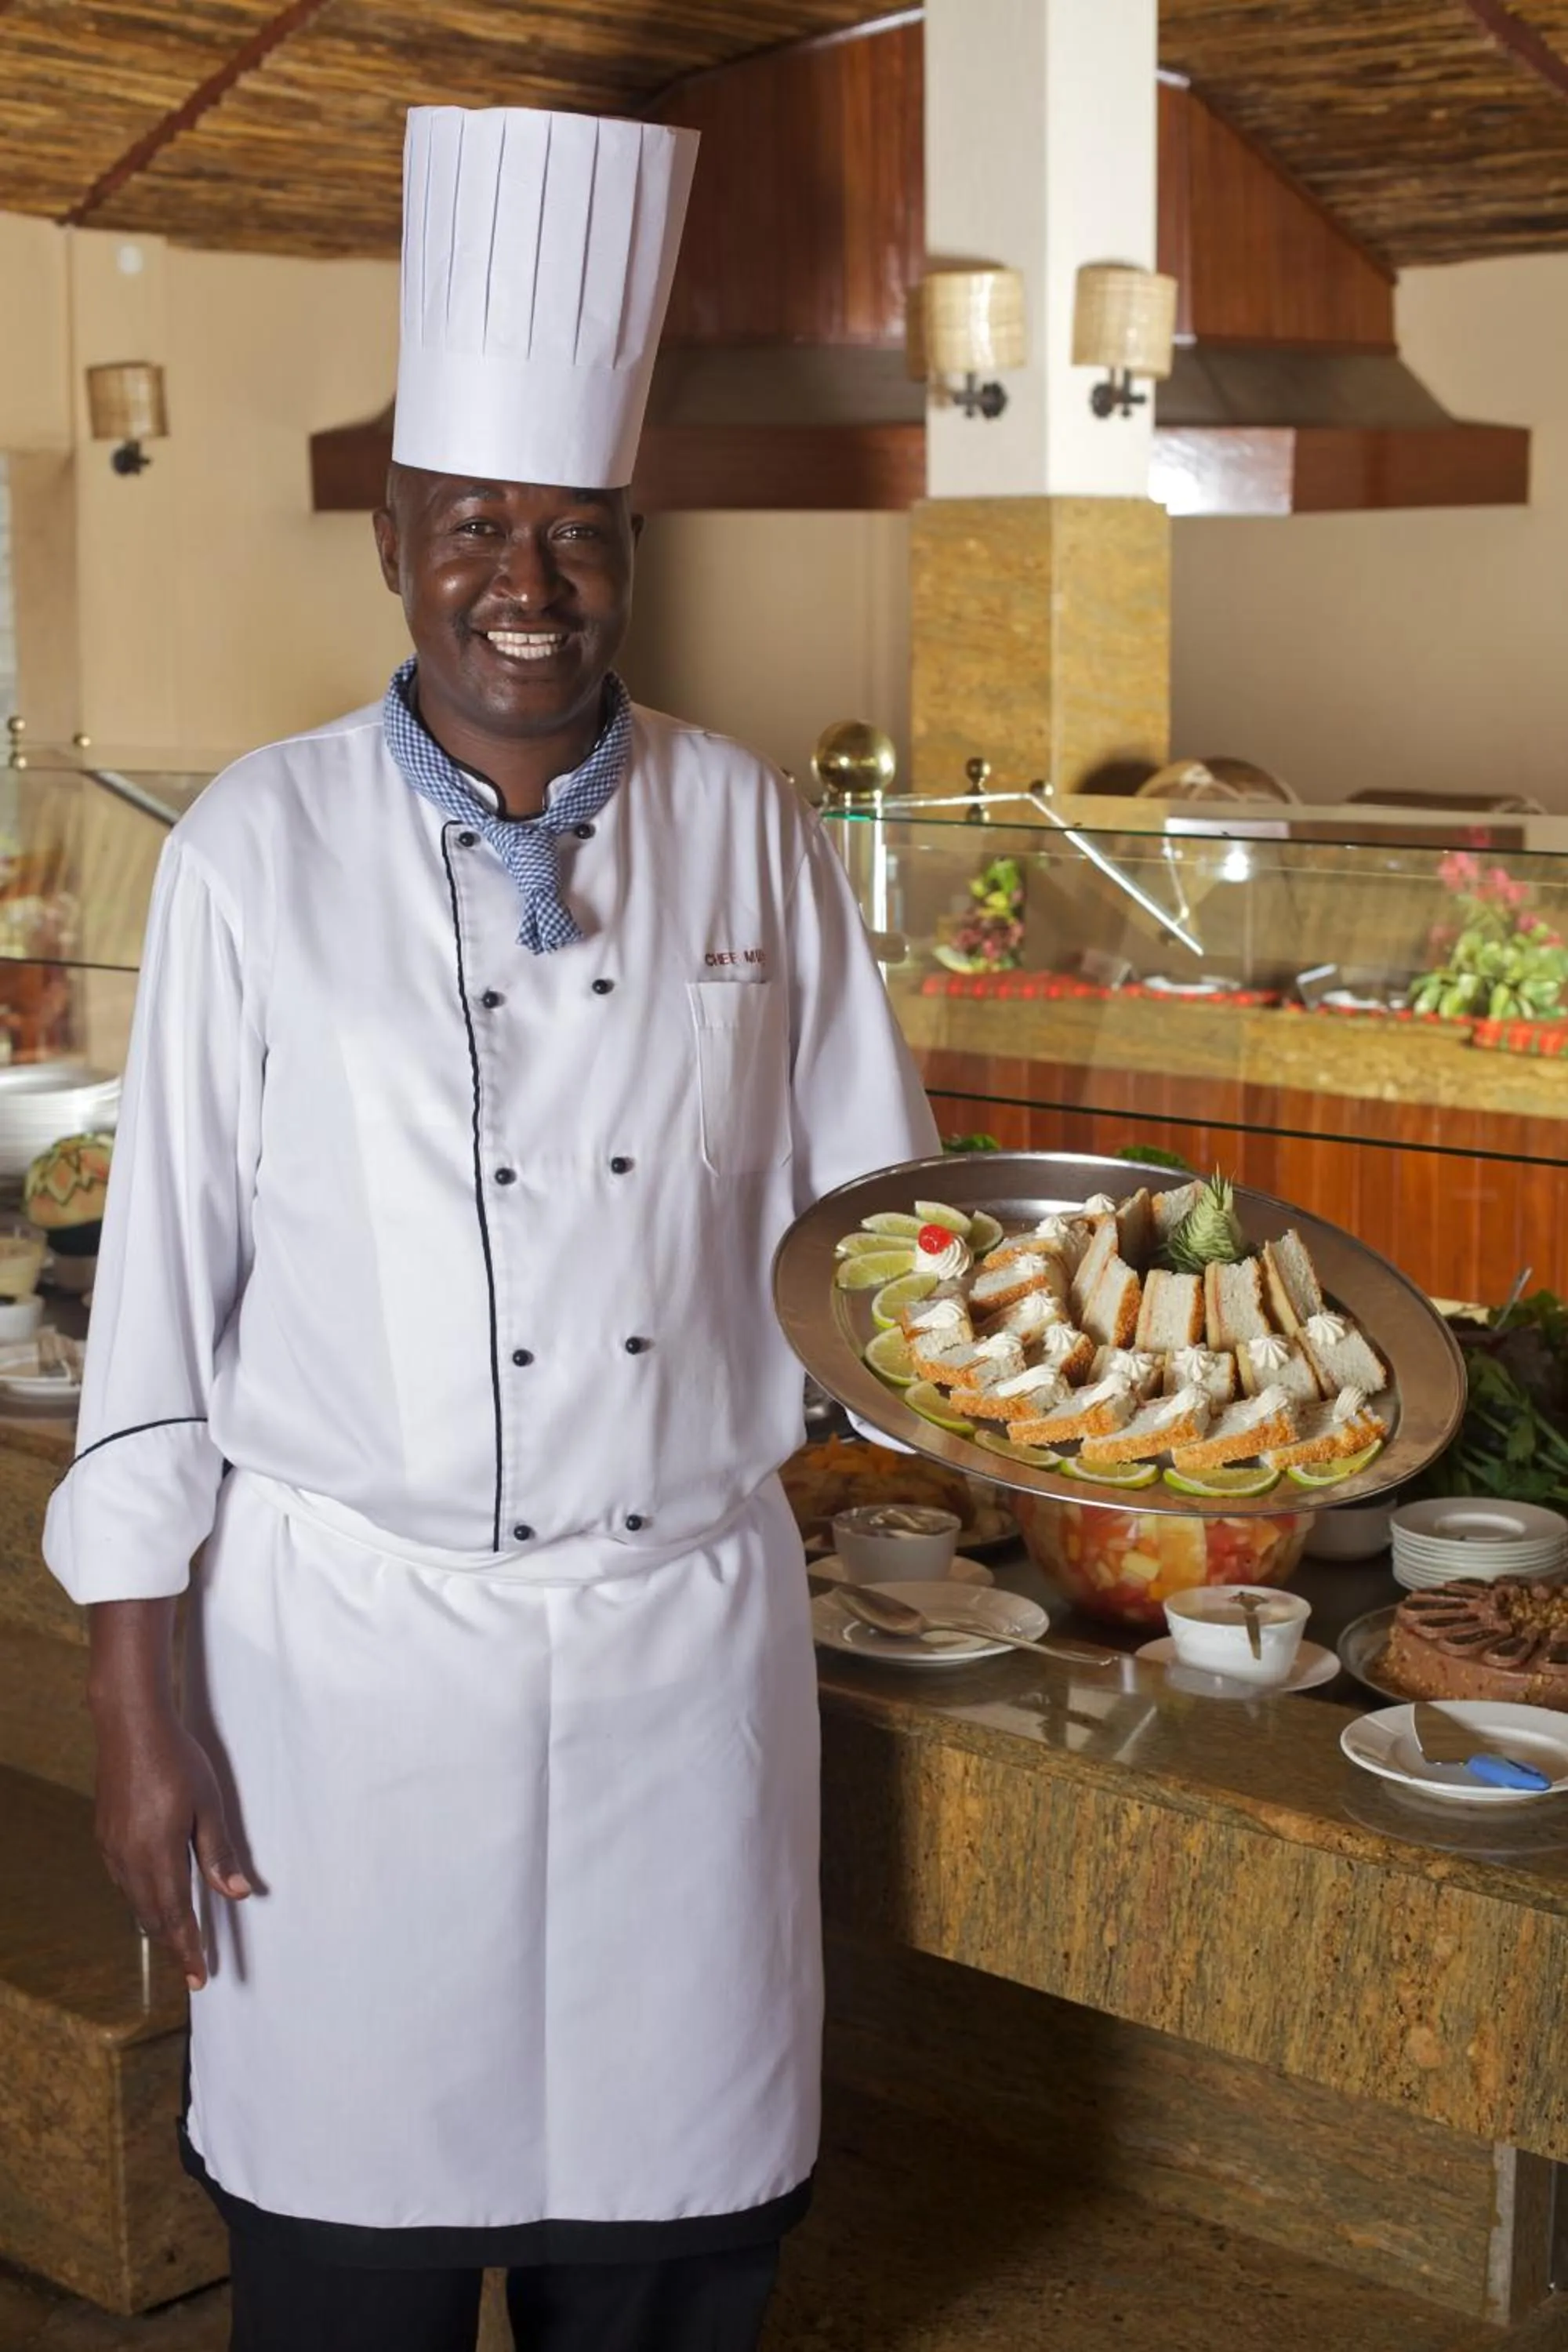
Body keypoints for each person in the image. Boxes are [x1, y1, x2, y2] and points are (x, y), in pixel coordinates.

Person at [45, 104, 936, 2352]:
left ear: (627, 546)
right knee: (347, 2268)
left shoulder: (750, 836)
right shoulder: (256, 853)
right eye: (471, 531)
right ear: (392, 540)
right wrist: (136, 1705)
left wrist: (1041, 1381)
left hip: (677, 1668)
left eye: (571, 532)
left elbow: (885, 1248)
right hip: (351, 1685)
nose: (521, 584)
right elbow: (158, 1321)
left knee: (669, 2267)